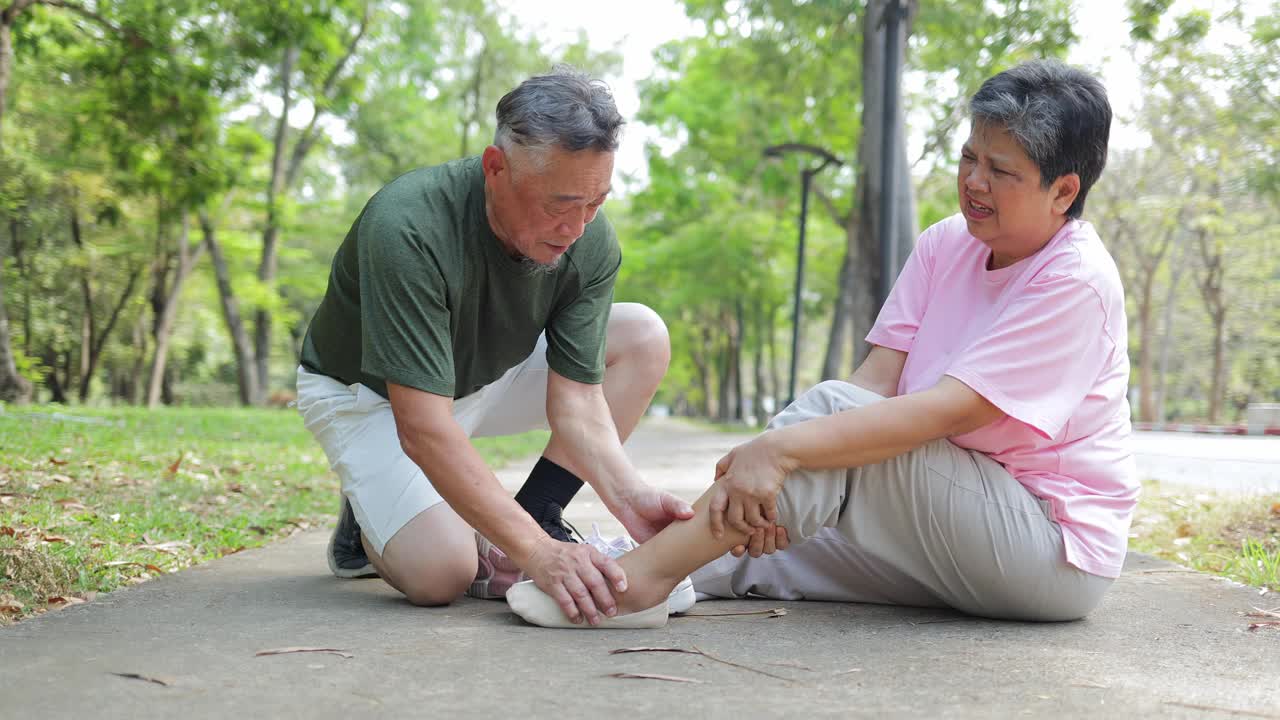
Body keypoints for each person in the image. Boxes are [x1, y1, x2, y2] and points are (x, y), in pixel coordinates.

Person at [506, 59, 1137, 629]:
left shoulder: (1074, 280)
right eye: (970, 157)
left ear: (1064, 190)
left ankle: (638, 584)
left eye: (1001, 171)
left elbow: (948, 410)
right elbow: (872, 386)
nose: (974, 181)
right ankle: (614, 576)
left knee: (809, 449)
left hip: (1045, 547)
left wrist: (780, 449)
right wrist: (772, 468)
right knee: (762, 542)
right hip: (947, 517)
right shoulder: (948, 243)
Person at [295, 67, 701, 625]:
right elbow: (422, 427)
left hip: (485, 374)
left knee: (642, 335)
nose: (576, 228)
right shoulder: (408, 225)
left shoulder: (589, 237)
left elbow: (579, 398)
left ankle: (538, 509)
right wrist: (537, 554)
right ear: (495, 168)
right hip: (373, 398)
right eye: (559, 205)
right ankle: (369, 519)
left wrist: (629, 496)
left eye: (596, 203)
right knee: (441, 574)